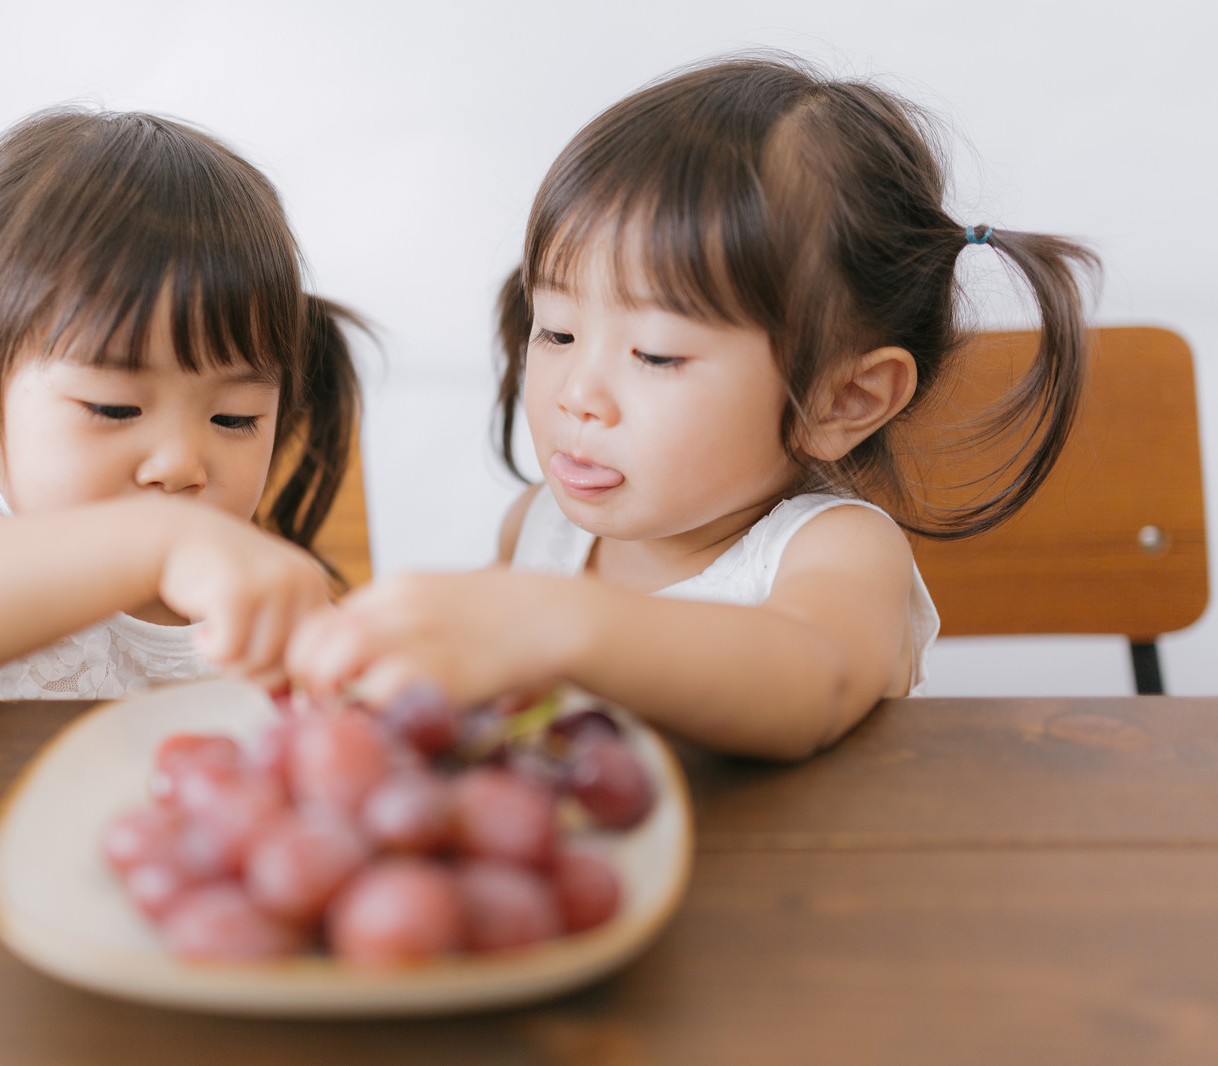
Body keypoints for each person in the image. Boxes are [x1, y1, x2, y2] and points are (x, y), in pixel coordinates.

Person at [286, 56, 1096, 760]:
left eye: (656, 355)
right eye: (558, 330)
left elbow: (812, 678)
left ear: (842, 399)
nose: (576, 394)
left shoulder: (837, 553)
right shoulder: (540, 529)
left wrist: (560, 623)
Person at [0, 107, 360, 700]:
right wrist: (158, 543)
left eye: (233, 418)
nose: (179, 464)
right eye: (115, 409)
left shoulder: (247, 598)